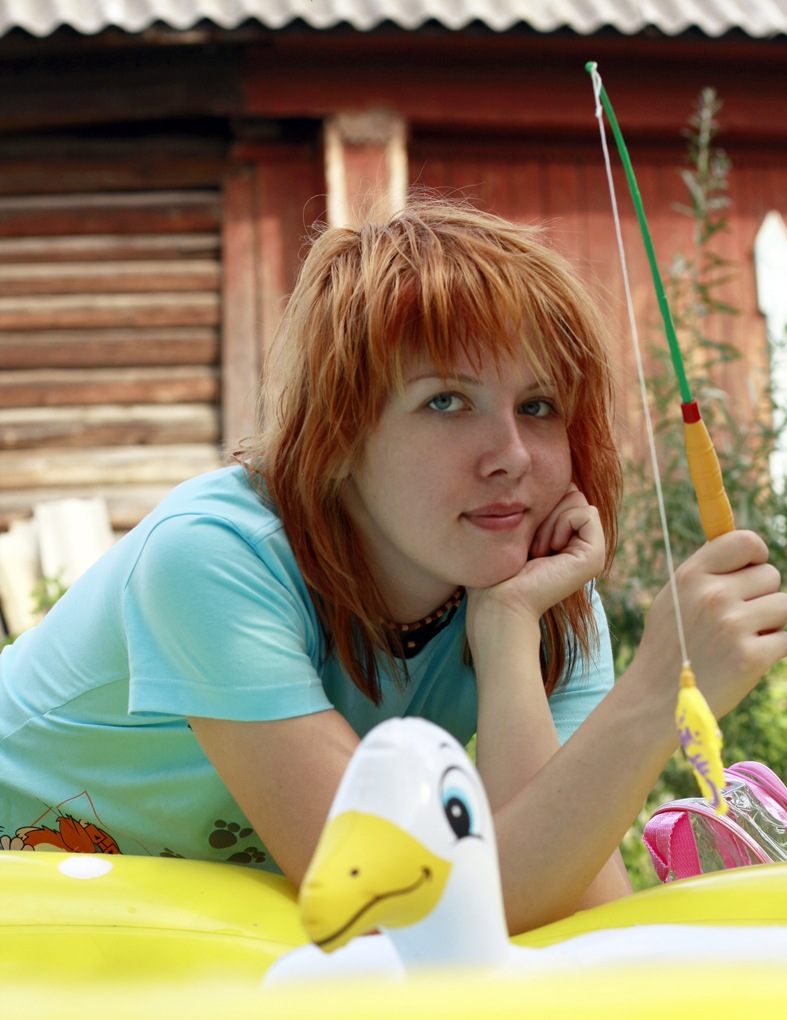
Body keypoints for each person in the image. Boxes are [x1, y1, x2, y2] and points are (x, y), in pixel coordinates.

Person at [1, 198, 785, 935]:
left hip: (170, 947)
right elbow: (400, 910)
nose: (511, 454)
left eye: (538, 405)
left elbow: (558, 916)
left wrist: (508, 633)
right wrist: (656, 695)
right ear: (339, 432)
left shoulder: (539, 596)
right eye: (446, 400)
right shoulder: (213, 556)